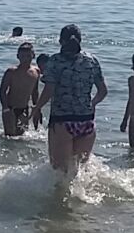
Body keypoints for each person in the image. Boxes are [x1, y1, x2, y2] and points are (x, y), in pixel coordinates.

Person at [30, 24, 108, 175]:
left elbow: (49, 90)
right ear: (80, 40)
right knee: (79, 172)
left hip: (62, 121)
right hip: (86, 121)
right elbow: (103, 91)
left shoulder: (55, 61)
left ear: (60, 41)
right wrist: (92, 104)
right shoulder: (92, 60)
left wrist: (36, 108)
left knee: (59, 172)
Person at [0, 43, 40, 137]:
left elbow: (35, 92)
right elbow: (2, 91)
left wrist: (37, 109)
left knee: (22, 137)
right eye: (23, 56)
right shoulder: (11, 72)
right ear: (18, 56)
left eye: (28, 56)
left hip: (24, 108)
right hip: (10, 108)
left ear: (33, 56)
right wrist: (5, 108)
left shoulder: (36, 71)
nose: (25, 59)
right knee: (9, 137)